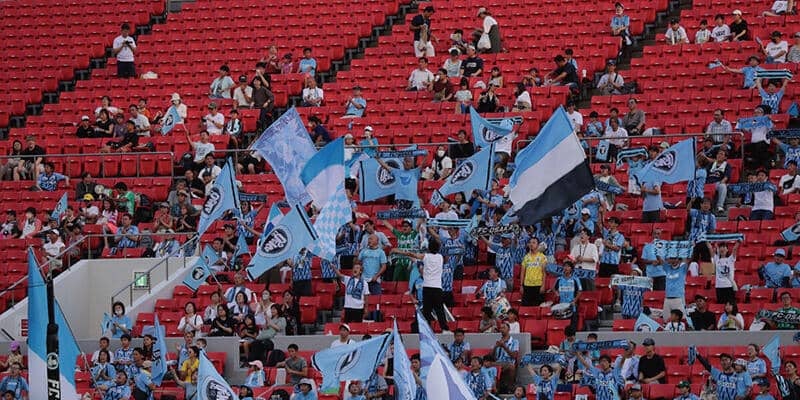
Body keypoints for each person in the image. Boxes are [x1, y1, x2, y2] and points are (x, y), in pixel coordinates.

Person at [392, 240, 450, 332]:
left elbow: (412, 255)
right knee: (439, 310)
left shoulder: (425, 256)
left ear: (429, 248)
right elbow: (447, 257)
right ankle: (444, 329)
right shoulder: (440, 257)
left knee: (427, 311)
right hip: (437, 288)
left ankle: (427, 329)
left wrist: (399, 251)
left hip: (427, 288)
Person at [521, 237, 546, 306]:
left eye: (534, 243)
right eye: (530, 242)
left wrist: (543, 285)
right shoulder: (526, 257)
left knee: (538, 307)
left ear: (538, 245)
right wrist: (521, 285)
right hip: (527, 285)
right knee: (526, 307)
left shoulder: (542, 257)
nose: (531, 244)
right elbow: (522, 273)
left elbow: (544, 273)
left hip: (538, 285)